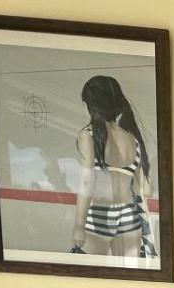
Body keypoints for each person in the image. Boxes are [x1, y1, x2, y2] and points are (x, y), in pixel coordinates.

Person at [72, 75, 153, 257]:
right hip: (130, 218)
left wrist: (78, 225)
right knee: (127, 272)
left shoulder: (88, 135)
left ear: (90, 105)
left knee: (87, 271)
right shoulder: (133, 139)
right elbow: (146, 190)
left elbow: (86, 183)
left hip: (99, 213)